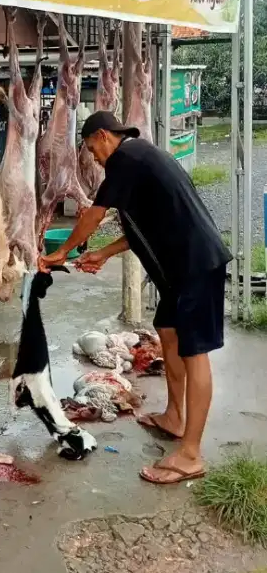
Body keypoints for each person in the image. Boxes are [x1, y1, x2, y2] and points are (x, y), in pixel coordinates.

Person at [38, 110, 231, 486]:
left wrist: (64, 252)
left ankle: (191, 454)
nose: (93, 158)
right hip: (180, 269)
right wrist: (103, 253)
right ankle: (175, 416)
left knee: (195, 353)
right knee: (167, 330)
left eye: (92, 150)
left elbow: (94, 214)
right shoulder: (139, 162)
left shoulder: (127, 158)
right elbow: (143, 230)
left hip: (196, 264)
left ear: (103, 136)